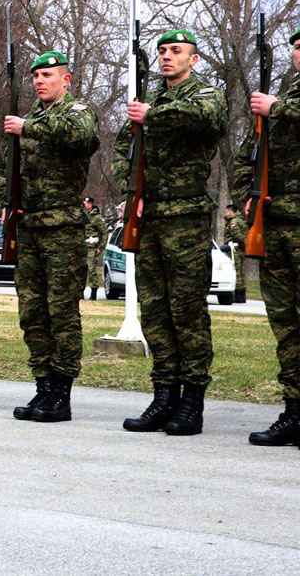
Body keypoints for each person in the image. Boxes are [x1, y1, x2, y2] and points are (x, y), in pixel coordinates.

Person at [113, 29, 227, 436]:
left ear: (192, 59)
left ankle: (192, 403)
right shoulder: (151, 100)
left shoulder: (205, 94)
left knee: (188, 311)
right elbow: (121, 147)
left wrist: (152, 115)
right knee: (156, 311)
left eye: (176, 51)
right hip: (150, 217)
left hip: (186, 217)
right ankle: (164, 396)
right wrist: (131, 191)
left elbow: (209, 118)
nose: (166, 57)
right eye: (162, 51)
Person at [3, 52, 100, 423]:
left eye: (47, 75)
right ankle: (42, 386)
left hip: (61, 226)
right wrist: (5, 200)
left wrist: (27, 128)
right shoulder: (28, 119)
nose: (40, 81)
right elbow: (7, 165)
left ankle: (61, 393)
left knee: (61, 311)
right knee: (32, 312)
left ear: (66, 80)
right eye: (36, 76)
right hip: (28, 225)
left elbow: (81, 138)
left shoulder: (76, 112)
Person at [233, 25, 300, 446]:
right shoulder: (281, 103)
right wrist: (248, 195)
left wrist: (277, 108)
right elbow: (246, 157)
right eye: (296, 46)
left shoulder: (281, 105)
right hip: (275, 225)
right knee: (286, 325)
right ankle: (294, 410)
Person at [84, 197, 106, 300]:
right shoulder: (82, 215)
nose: (85, 204)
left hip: (92, 247)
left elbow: (104, 232)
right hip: (82, 246)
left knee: (91, 269)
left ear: (91, 204)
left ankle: (93, 293)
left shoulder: (96, 217)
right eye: (84, 202)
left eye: (87, 203)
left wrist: (101, 247)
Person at [223, 202, 247, 280]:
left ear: (230, 211)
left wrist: (243, 245)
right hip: (239, 248)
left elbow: (237, 236)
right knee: (240, 270)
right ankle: (241, 290)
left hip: (235, 249)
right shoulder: (240, 220)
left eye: (226, 212)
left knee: (235, 271)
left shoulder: (233, 222)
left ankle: (238, 290)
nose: (226, 214)